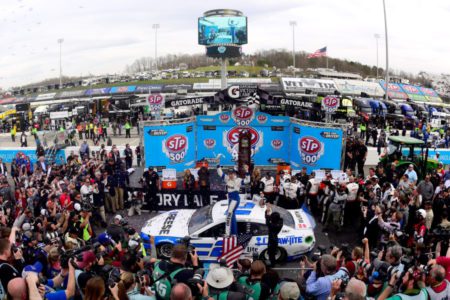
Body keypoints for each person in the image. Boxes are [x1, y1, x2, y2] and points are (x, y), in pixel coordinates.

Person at [265, 203, 283, 267]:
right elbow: (268, 219)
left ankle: (272, 265)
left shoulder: (271, 226)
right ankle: (272, 263)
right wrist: (269, 210)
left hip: (272, 241)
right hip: (275, 240)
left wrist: (267, 209)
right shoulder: (280, 222)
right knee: (272, 254)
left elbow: (267, 219)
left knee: (271, 254)